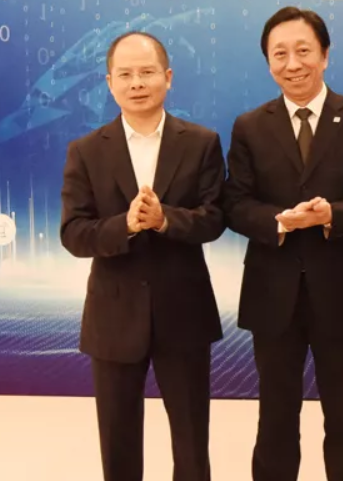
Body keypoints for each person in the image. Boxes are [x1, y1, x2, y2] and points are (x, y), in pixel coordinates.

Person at [223, 6, 343, 481]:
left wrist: (333, 214)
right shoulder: (250, 126)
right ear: (268, 62)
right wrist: (279, 221)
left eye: (303, 51)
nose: (292, 64)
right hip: (272, 292)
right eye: (279, 54)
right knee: (276, 418)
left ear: (325, 55)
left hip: (342, 292)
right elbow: (234, 203)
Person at [61, 31, 226, 481]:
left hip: (184, 313)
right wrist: (127, 225)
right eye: (126, 74)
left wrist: (165, 219)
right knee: (118, 442)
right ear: (109, 83)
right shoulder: (86, 151)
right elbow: (74, 234)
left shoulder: (201, 142)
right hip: (114, 316)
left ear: (167, 77)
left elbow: (215, 219)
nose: (137, 83)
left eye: (147, 72)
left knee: (191, 442)